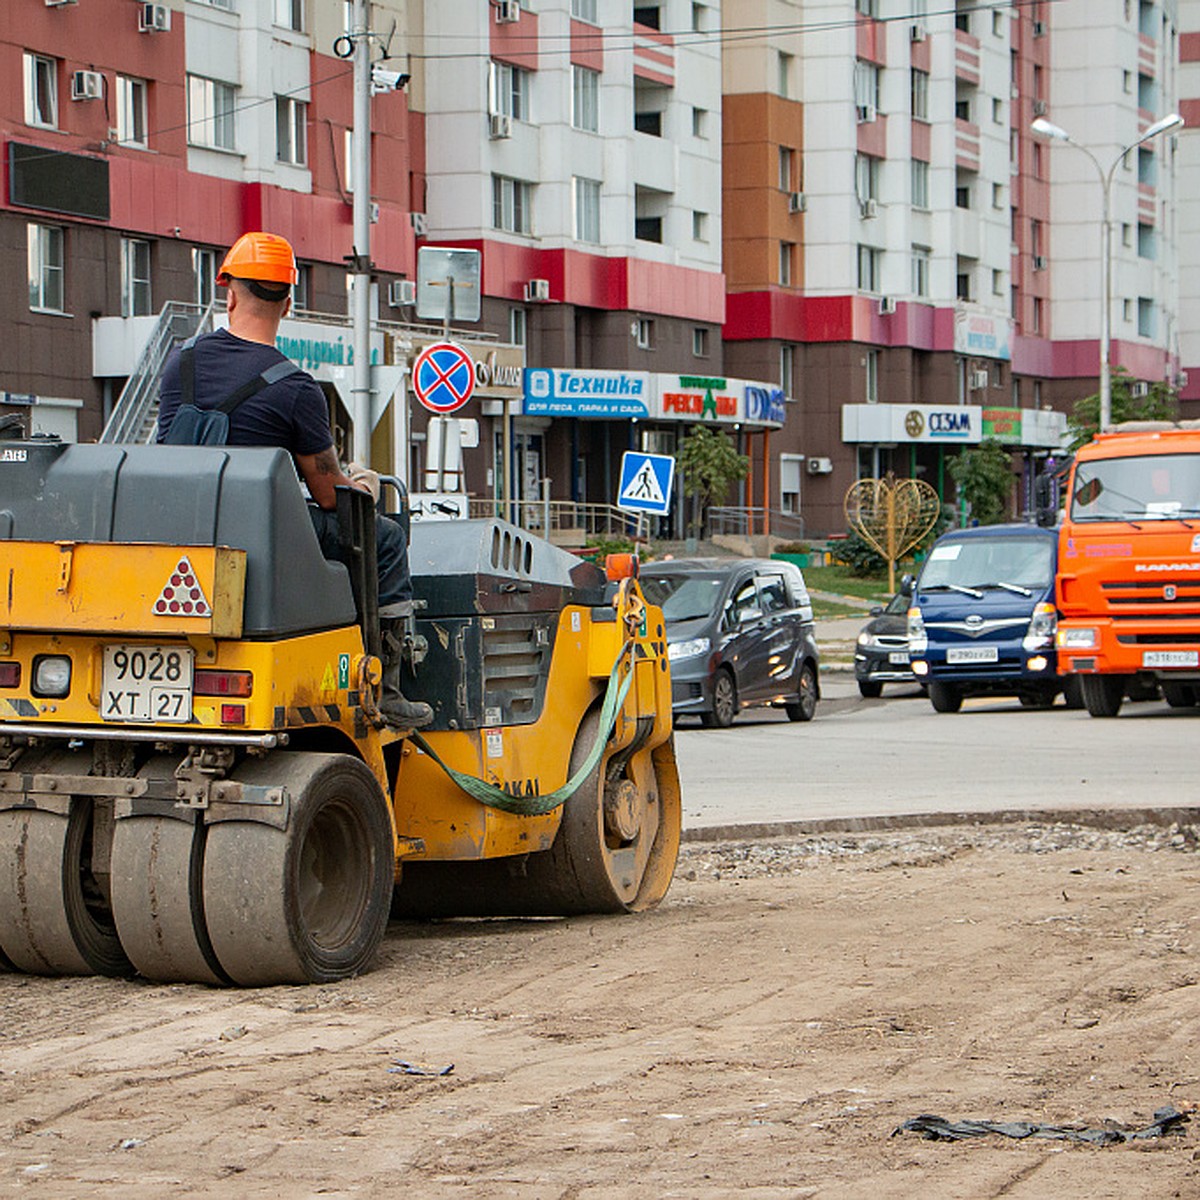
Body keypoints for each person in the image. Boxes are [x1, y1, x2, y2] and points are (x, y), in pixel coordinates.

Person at [157, 230, 432, 728]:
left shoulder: (183, 363)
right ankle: (386, 688)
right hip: (262, 537)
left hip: (184, 527)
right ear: (287, 304)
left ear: (229, 293)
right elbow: (329, 494)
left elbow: (167, 454)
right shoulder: (294, 387)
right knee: (384, 539)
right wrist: (363, 486)